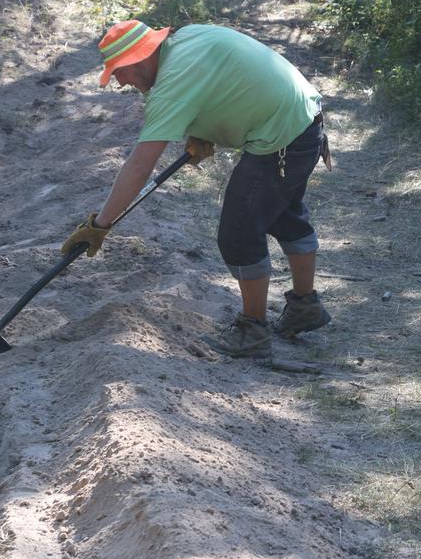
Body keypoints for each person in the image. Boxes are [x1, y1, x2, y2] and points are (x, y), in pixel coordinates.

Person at [61, 19, 332, 359]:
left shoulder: (172, 83)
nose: (119, 82)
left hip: (282, 135)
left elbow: (140, 166)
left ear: (140, 59)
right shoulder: (185, 40)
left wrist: (100, 225)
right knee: (284, 216)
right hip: (302, 116)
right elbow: (220, 78)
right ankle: (305, 308)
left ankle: (253, 330)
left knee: (239, 232)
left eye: (120, 72)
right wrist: (203, 129)